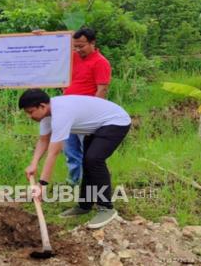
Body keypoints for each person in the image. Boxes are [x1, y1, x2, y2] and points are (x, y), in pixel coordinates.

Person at [19, 89, 130, 229]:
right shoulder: (47, 115)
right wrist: (33, 164)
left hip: (116, 122)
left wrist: (42, 185)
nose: (30, 116)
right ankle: (85, 205)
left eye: (30, 112)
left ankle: (106, 208)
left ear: (42, 106)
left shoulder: (61, 114)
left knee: (94, 160)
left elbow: (53, 153)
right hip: (97, 126)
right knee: (88, 162)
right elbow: (43, 140)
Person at [63, 28, 112, 186]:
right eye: (75, 46)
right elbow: (51, 52)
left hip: (86, 115)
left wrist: (94, 115)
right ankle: (73, 181)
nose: (78, 50)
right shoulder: (73, 57)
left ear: (92, 43)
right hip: (69, 111)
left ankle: (90, 183)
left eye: (81, 46)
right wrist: (41, 36)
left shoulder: (100, 62)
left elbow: (102, 89)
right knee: (70, 150)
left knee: (88, 152)